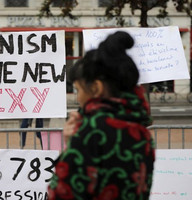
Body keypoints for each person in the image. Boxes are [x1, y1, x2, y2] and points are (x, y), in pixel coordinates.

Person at [48, 31, 155, 200]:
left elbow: (62, 192)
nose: (78, 98)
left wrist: (70, 146)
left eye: (79, 90)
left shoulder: (91, 131)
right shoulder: (142, 133)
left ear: (96, 88)